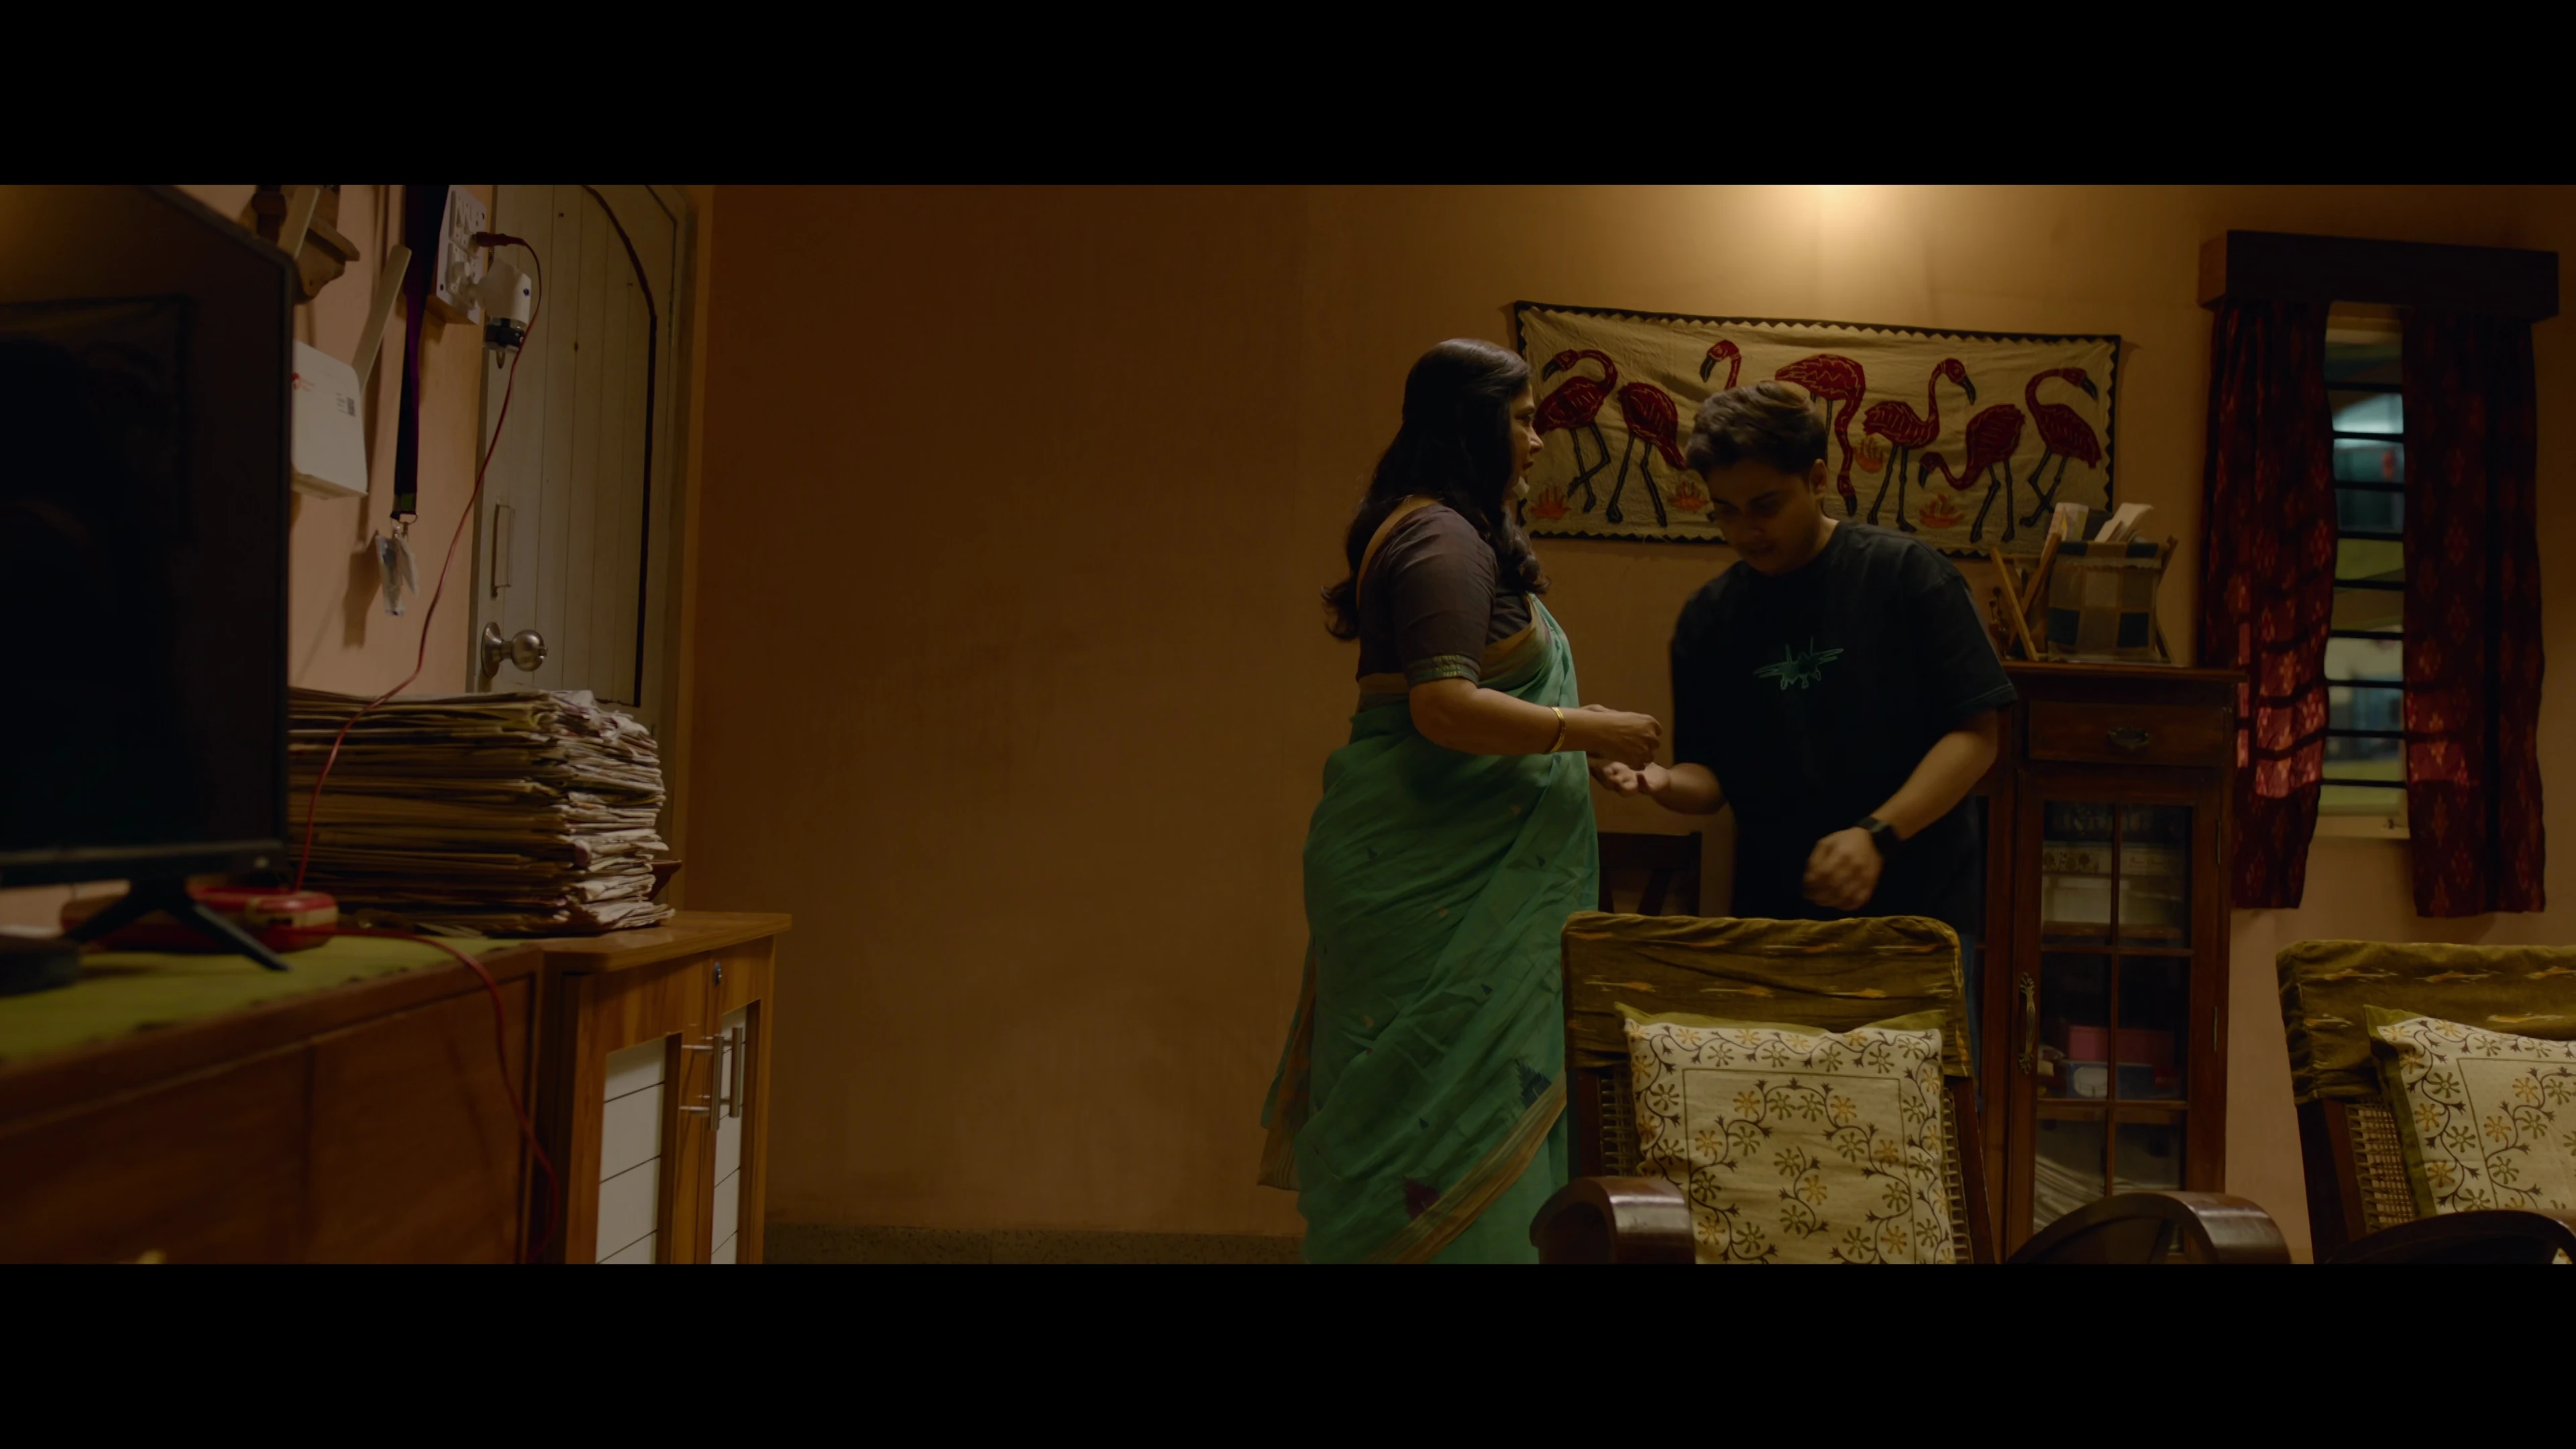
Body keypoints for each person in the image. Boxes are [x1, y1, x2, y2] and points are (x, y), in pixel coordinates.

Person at [1259, 338, 1662, 1263]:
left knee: (1466, 1115)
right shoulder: (1441, 538)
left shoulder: (1451, 533)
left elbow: (1485, 705)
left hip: (1446, 877)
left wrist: (1579, 741)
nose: (1539, 440)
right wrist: (1584, 731)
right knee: (1434, 1122)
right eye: (1522, 420)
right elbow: (1443, 708)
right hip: (1432, 891)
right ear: (1472, 424)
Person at [1597, 381, 2013, 1055]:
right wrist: (1659, 783)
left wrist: (1876, 835)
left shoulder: (1907, 576)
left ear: (1818, 479)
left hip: (1917, 917)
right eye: (1726, 512)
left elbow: (1976, 737)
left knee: (1920, 1117)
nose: (1746, 532)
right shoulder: (1710, 618)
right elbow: (1711, 778)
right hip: (1777, 925)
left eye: (1766, 506)